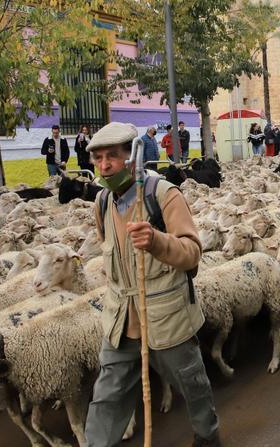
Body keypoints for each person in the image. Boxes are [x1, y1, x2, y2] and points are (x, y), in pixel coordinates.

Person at [83, 122, 220, 447]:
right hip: (121, 318)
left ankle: (208, 436)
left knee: (191, 383)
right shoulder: (102, 203)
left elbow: (191, 253)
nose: (104, 166)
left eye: (112, 157)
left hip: (166, 314)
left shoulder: (163, 195)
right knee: (107, 394)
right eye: (98, 158)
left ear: (132, 157)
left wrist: (158, 241)